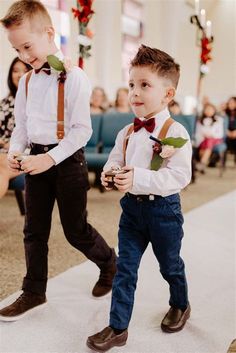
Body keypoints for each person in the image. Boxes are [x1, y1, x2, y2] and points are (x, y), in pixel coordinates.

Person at [0, 0, 116, 322]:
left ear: (49, 33)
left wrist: (48, 159)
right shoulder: (26, 81)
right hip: (35, 159)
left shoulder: (74, 77)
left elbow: (82, 131)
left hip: (67, 162)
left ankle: (109, 263)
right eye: (16, 49)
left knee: (74, 230)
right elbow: (21, 127)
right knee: (33, 230)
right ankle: (34, 291)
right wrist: (15, 151)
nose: (23, 56)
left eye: (27, 46)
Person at [87, 45, 192, 352]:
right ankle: (118, 327)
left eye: (145, 85)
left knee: (170, 265)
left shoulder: (177, 133)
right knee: (125, 269)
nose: (134, 92)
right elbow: (114, 160)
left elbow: (179, 177)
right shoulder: (126, 132)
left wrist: (139, 177)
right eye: (132, 84)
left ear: (167, 94)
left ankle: (180, 304)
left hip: (164, 212)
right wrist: (110, 174)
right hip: (131, 211)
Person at [0, 57, 31, 198]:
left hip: (26, 153)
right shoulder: (4, 102)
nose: (19, 75)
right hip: (3, 150)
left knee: (3, 168)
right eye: (15, 71)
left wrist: (9, 146)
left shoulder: (37, 101)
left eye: (25, 70)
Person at [195, 103, 224, 173]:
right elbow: (198, 132)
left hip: (216, 139)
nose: (209, 111)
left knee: (209, 141)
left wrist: (211, 135)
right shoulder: (200, 120)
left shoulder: (219, 120)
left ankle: (202, 162)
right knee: (205, 144)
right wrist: (204, 135)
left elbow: (220, 133)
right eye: (207, 109)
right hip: (203, 139)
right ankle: (203, 164)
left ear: (214, 111)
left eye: (211, 109)